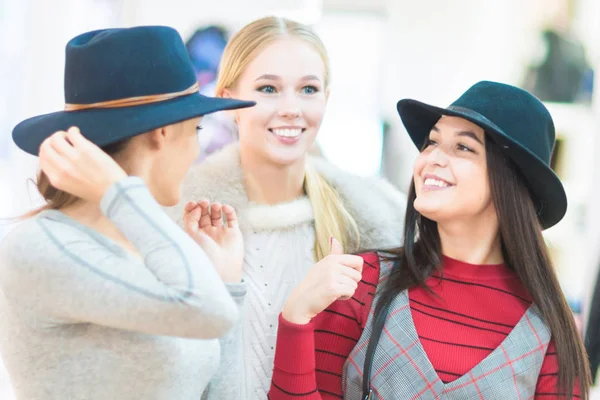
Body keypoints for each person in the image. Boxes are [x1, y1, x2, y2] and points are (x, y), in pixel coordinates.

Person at [269, 81, 591, 399]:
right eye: (431, 142)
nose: (432, 158)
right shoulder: (361, 281)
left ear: (511, 181)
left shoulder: (547, 328)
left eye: (463, 147)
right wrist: (296, 317)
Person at [0, 25, 255, 400]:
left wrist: (225, 279)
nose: (197, 150)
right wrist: (117, 192)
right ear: (163, 133)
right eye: (196, 129)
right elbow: (209, 310)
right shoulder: (39, 247)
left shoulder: (154, 245)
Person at [166, 16, 406, 398]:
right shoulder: (177, 221)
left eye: (308, 89)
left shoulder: (377, 227)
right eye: (268, 88)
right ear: (229, 101)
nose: (292, 108)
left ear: (326, 98)